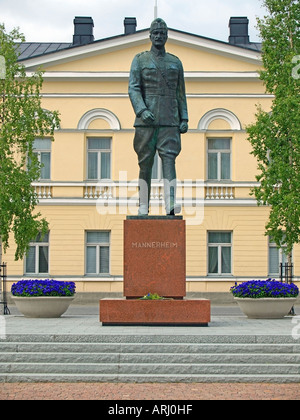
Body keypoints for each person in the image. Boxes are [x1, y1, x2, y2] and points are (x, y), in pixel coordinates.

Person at [128, 18, 188, 215]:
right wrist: (142, 110)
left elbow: (180, 93)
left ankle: (170, 203)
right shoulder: (140, 60)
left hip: (170, 119)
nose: (159, 36)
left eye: (162, 33)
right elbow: (134, 88)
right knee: (146, 162)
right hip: (147, 120)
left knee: (169, 161)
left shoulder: (175, 62)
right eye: (156, 33)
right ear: (150, 36)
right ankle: (143, 204)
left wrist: (184, 118)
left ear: (167, 36)